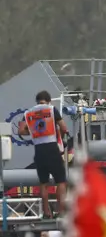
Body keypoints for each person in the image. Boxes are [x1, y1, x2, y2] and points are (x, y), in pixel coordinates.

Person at [17, 89, 69, 218]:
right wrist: (60, 138)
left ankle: (46, 212)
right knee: (61, 181)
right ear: (49, 100)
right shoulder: (51, 109)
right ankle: (60, 211)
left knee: (43, 183)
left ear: (37, 101)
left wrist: (34, 132)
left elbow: (21, 131)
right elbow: (64, 127)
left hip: (39, 150)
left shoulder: (28, 113)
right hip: (52, 148)